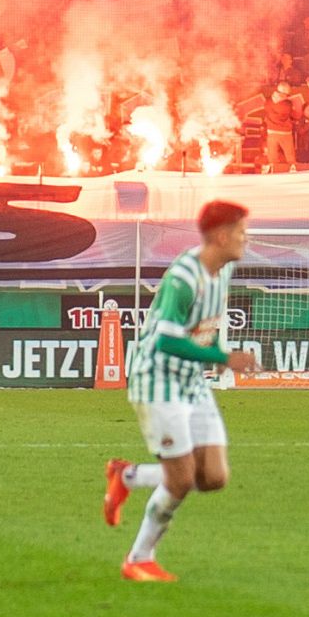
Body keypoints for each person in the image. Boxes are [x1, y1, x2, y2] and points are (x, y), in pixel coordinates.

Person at [101, 200, 260, 581]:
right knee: (181, 479)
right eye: (241, 232)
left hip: (190, 380)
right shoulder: (182, 279)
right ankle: (138, 558)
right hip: (157, 381)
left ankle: (127, 477)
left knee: (214, 477)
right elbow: (167, 342)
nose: (246, 238)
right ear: (221, 236)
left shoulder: (223, 267)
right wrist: (222, 356)